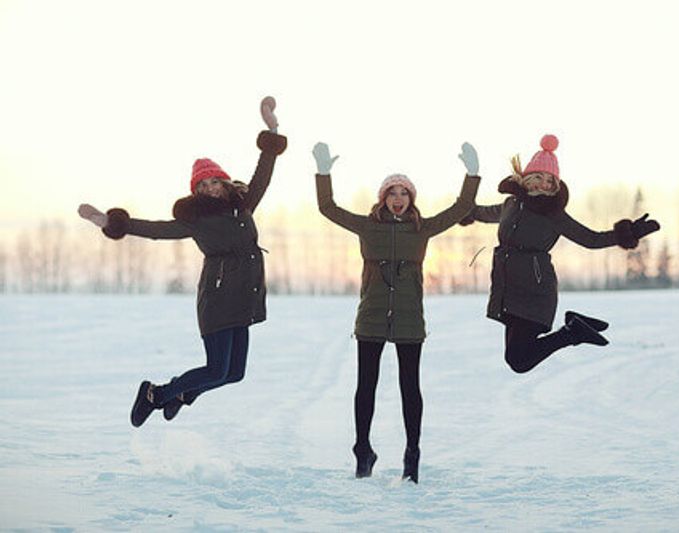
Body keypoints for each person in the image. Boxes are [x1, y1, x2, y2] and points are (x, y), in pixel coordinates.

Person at [77, 97, 287, 427]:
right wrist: (111, 222)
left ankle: (181, 394)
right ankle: (155, 394)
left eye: (214, 181)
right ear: (197, 192)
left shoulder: (243, 204)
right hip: (218, 300)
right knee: (216, 369)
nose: (210, 189)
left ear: (224, 181)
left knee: (234, 374)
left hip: (244, 297)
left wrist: (272, 128)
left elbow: (264, 173)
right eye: (202, 186)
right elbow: (158, 231)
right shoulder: (196, 220)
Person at [313, 141, 481, 483]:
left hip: (408, 317)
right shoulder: (367, 226)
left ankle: (412, 454)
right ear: (383, 197)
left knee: (410, 387)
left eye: (404, 192)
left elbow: (462, 207)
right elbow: (328, 207)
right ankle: (362, 449)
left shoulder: (423, 228)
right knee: (366, 386)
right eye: (393, 192)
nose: (398, 197)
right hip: (372, 314)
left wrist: (472, 174)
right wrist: (324, 173)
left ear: (411, 198)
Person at [460, 134, 660, 374]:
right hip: (509, 291)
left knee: (518, 360)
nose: (544, 184)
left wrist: (629, 232)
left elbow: (591, 239)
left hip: (535, 291)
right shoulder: (510, 204)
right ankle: (573, 328)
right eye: (540, 177)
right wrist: (471, 177)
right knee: (516, 358)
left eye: (550, 180)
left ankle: (573, 332)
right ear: (527, 177)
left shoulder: (553, 215)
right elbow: (474, 212)